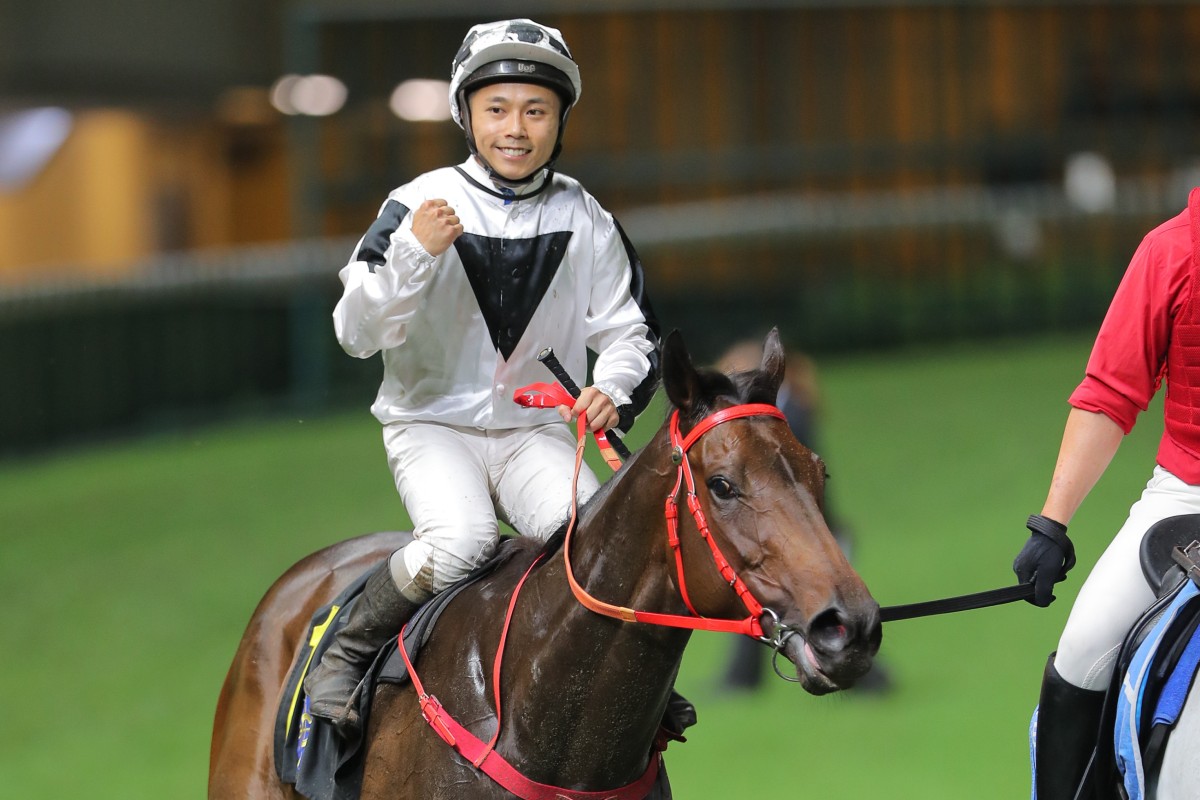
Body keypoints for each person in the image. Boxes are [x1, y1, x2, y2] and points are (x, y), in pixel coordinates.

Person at [303, 18, 661, 733]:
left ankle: (626, 692)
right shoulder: (418, 202)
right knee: (461, 540)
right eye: (498, 109)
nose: (516, 129)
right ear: (466, 115)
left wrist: (610, 391)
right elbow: (354, 332)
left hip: (534, 430)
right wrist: (412, 254)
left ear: (561, 120)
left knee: (597, 550)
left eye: (536, 110)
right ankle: (348, 647)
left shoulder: (586, 215)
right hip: (431, 424)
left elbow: (628, 333)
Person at [1015, 188, 1200, 798]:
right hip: (1187, 496)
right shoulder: (1169, 253)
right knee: (1084, 648)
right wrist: (1052, 522)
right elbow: (1110, 395)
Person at [714, 339, 891, 694]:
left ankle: (869, 679)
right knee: (772, 609)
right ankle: (741, 680)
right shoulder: (791, 410)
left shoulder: (786, 417)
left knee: (823, 616)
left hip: (810, 533)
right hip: (811, 530)